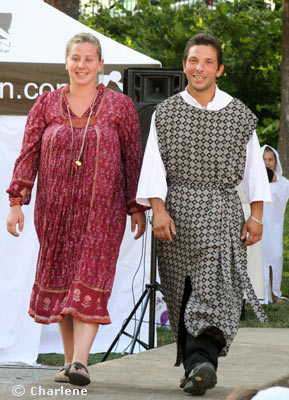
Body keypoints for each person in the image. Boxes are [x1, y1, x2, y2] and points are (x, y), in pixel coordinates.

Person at [6, 32, 148, 387]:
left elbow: (133, 158)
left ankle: (81, 362)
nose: (82, 65)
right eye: (76, 58)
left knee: (90, 275)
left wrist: (136, 206)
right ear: (66, 63)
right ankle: (71, 362)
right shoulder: (46, 105)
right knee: (63, 283)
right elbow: (28, 155)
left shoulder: (119, 106)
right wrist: (16, 203)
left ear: (101, 64)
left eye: (89, 59)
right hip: (54, 211)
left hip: (103, 212)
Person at [136, 33, 271, 396]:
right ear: (184, 65)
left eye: (208, 62)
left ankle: (202, 363)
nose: (200, 68)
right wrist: (158, 211)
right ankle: (197, 366)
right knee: (183, 291)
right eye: (193, 61)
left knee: (217, 289)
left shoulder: (240, 115)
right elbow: (153, 167)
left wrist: (255, 216)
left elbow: (254, 171)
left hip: (223, 210)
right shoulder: (165, 113)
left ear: (219, 69)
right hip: (177, 212)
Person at [261, 145, 289, 304]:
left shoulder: (283, 183)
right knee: (262, 260)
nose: (267, 163)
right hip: (260, 226)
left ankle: (274, 293)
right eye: (264, 159)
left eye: (270, 159)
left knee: (275, 257)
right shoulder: (256, 183)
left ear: (276, 161)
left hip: (275, 227)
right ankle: (262, 295)